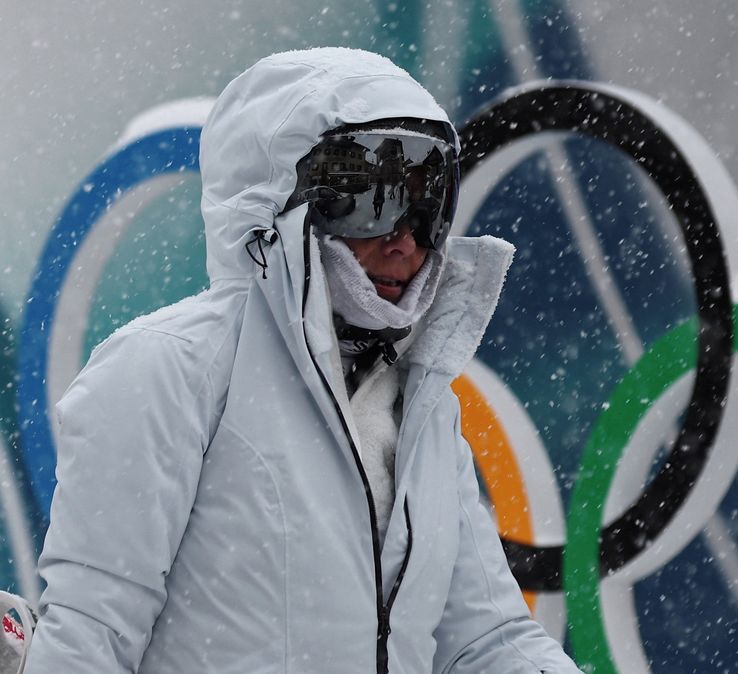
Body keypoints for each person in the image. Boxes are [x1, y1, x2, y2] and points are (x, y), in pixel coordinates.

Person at [25, 47, 582, 673]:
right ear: (278, 205)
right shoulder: (170, 369)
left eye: (427, 204)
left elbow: (487, 641)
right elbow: (92, 631)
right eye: (373, 200)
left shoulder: (418, 401)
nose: (405, 242)